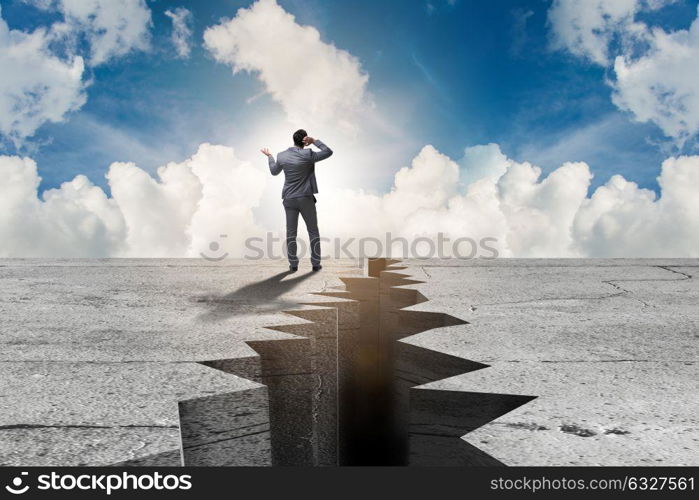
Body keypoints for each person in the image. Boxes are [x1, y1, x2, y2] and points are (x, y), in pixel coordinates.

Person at [261, 129, 333, 272]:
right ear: (304, 141)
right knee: (313, 231)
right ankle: (315, 263)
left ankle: (293, 264)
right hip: (305, 197)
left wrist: (270, 157)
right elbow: (328, 152)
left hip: (289, 198)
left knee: (291, 233)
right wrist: (314, 141)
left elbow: (274, 172)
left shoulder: (281, 156)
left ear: (293, 140)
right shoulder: (308, 154)